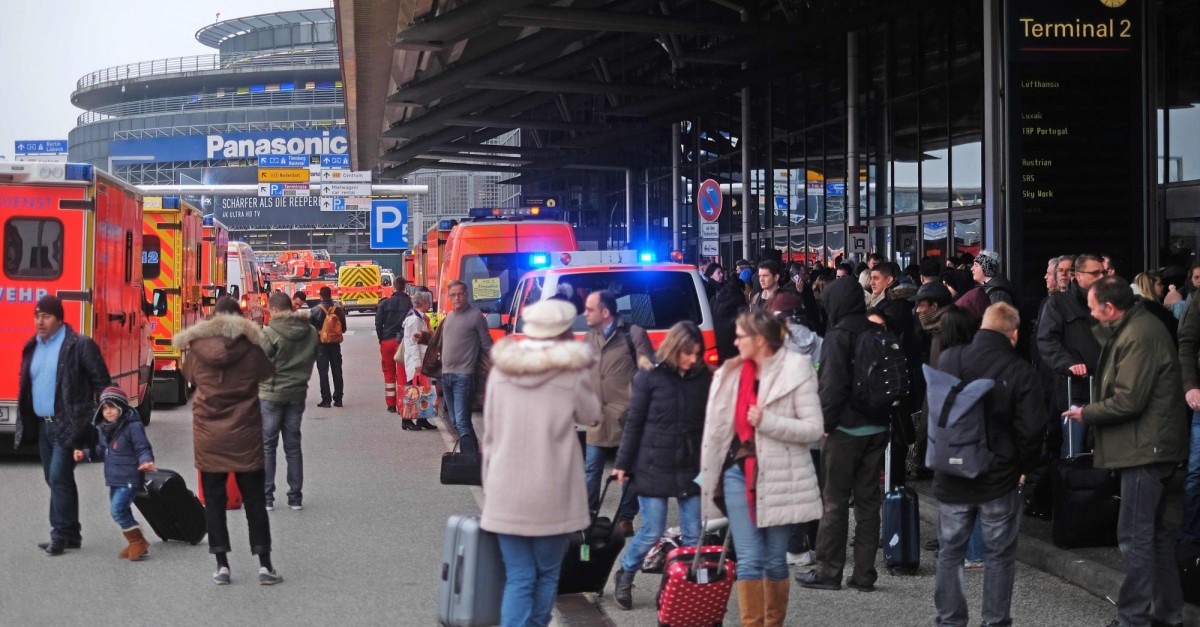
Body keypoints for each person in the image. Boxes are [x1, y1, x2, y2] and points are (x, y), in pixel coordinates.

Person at [1065, 277, 1187, 627]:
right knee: (1155, 536)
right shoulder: (1134, 326)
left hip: (1145, 448)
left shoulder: (1138, 334)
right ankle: (1168, 614)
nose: (1090, 315)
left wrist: (1085, 413)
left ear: (1109, 309)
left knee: (1135, 537)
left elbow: (1129, 400)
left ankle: (1134, 618)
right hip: (1151, 445)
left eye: (1093, 309)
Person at [480, 299, 601, 627]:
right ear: (564, 331)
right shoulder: (571, 372)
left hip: (506, 489)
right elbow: (592, 415)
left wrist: (489, 484)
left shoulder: (502, 370)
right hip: (552, 491)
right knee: (546, 575)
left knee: (519, 577)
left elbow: (490, 432)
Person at [699, 309, 823, 626]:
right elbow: (716, 431)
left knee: (774, 561)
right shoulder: (731, 371)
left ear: (759, 340)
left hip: (781, 476)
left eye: (741, 336)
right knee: (749, 560)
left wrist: (768, 422)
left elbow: (813, 429)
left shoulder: (796, 369)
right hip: (737, 473)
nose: (735, 341)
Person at [932, 303, 1045, 627]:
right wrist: (1024, 465)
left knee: (950, 551)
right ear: (1014, 334)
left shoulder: (950, 357)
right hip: (999, 475)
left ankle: (951, 620)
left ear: (983, 326)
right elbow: (1032, 428)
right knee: (998, 555)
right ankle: (995, 621)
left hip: (952, 471)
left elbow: (935, 410)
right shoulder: (1020, 370)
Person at [175, 296, 281, 585]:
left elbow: (189, 376)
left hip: (209, 438)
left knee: (214, 502)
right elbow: (267, 373)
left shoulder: (196, 348)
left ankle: (221, 565)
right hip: (245, 435)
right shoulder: (251, 348)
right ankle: (264, 565)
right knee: (255, 502)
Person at [610, 321, 712, 611]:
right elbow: (634, 423)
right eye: (688, 354)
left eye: (697, 354)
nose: (694, 359)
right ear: (674, 349)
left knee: (693, 535)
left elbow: (710, 422)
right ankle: (626, 572)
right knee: (652, 530)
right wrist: (623, 464)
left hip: (691, 463)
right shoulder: (650, 377)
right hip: (652, 463)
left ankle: (679, 586)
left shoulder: (703, 378)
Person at [796, 277, 888, 593]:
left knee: (834, 500)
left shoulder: (838, 336)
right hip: (878, 426)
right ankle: (864, 575)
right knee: (867, 502)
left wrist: (824, 422)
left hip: (846, 429)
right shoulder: (877, 330)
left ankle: (828, 571)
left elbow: (832, 387)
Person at [18, 294, 112, 556]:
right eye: (37, 315)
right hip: (42, 425)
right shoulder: (32, 346)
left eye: (46, 316)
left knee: (59, 475)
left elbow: (102, 382)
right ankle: (72, 532)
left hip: (69, 423)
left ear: (59, 319)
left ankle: (58, 534)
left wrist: (107, 417)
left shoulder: (79, 345)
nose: (40, 321)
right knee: (54, 477)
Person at [583, 290, 653, 536]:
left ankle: (625, 517)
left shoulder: (634, 334)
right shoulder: (589, 337)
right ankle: (588, 516)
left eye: (590, 309)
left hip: (627, 415)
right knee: (591, 467)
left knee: (629, 470)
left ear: (605, 312)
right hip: (596, 415)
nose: (585, 313)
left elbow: (647, 373)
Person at [73, 387, 156, 561]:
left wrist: (146, 461)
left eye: (111, 407)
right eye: (104, 408)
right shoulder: (105, 429)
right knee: (122, 509)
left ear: (121, 408)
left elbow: (143, 448)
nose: (107, 412)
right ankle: (138, 542)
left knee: (117, 511)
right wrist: (85, 454)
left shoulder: (133, 427)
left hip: (130, 478)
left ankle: (137, 542)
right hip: (114, 479)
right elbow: (103, 452)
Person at [259, 292, 318, 511]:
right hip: (297, 393)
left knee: (268, 446)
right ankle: (295, 498)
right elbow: (314, 357)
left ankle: (267, 498)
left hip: (271, 395)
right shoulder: (310, 331)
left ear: (274, 310)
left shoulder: (269, 332)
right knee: (293, 446)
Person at [440, 280, 493, 444]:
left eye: (460, 294)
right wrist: (424, 337)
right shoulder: (449, 316)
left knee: (462, 422)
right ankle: (471, 457)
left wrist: (502, 364)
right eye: (453, 295)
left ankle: (470, 462)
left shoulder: (475, 316)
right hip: (446, 375)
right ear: (448, 297)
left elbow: (487, 345)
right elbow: (444, 342)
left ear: (466, 295)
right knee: (456, 421)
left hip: (463, 376)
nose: (456, 298)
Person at [400, 289, 437, 431]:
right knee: (412, 389)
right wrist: (417, 365)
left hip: (420, 359)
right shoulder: (414, 320)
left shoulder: (417, 317)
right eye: (429, 301)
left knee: (421, 389)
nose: (430, 304)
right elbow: (413, 344)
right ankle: (406, 420)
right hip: (417, 360)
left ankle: (422, 419)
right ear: (424, 302)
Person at [374, 279, 413, 413]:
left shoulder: (385, 303)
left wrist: (381, 339)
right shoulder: (409, 302)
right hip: (403, 342)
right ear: (404, 287)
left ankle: (391, 404)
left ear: (394, 287)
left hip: (387, 341)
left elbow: (378, 323)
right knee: (403, 373)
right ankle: (401, 404)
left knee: (389, 373)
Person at [310, 285, 347, 408]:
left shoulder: (315, 310)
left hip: (321, 345)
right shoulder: (338, 310)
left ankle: (326, 400)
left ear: (320, 295)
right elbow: (344, 329)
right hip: (335, 345)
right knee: (337, 371)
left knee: (323, 372)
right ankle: (338, 399)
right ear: (330, 295)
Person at [712, 272, 748, 362]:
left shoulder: (716, 298)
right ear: (740, 289)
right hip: (733, 338)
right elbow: (744, 320)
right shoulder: (739, 299)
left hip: (717, 337)